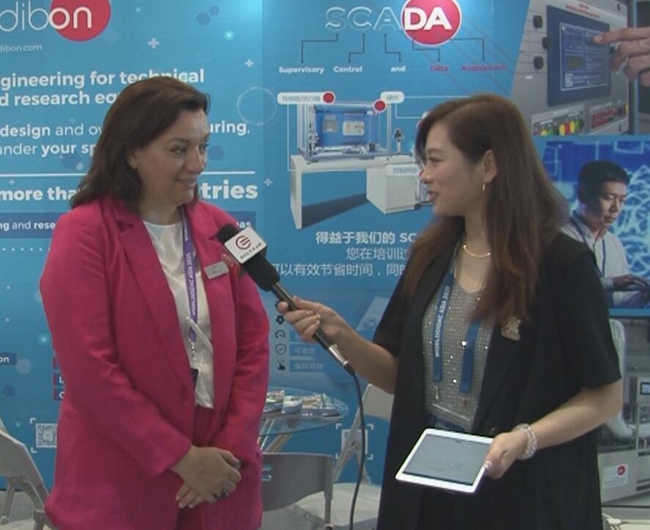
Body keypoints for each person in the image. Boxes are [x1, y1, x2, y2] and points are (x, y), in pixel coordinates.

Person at [279, 94, 622, 530]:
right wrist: (343, 336)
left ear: (489, 166)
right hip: (429, 493)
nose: (424, 175)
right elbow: (401, 376)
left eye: (436, 161)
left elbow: (604, 396)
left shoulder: (561, 265)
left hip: (523, 497)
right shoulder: (431, 256)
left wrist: (526, 439)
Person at [40, 76, 270, 530]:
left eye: (203, 147)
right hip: (124, 481)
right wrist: (181, 457)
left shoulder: (220, 226)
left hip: (219, 478)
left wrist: (229, 449)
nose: (198, 164)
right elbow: (91, 372)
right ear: (131, 152)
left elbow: (254, 344)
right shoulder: (85, 233)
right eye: (179, 149)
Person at [563, 160, 650, 308]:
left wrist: (644, 296)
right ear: (582, 195)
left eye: (622, 200)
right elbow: (558, 288)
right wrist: (611, 283)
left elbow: (622, 303)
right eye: (608, 198)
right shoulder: (558, 236)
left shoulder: (614, 243)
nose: (616, 208)